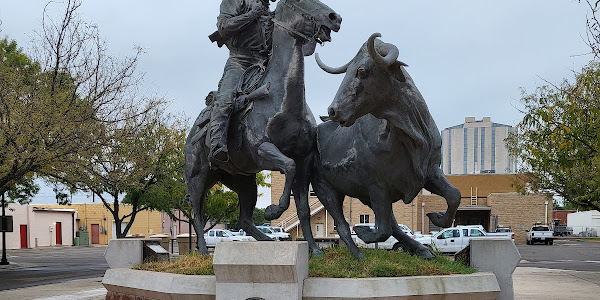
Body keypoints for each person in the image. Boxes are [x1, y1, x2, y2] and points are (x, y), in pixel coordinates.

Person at [208, 0, 275, 165]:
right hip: (241, 60)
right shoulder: (235, 2)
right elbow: (223, 27)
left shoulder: (271, 11)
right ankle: (217, 143)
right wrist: (252, 14)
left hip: (267, 62)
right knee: (225, 98)